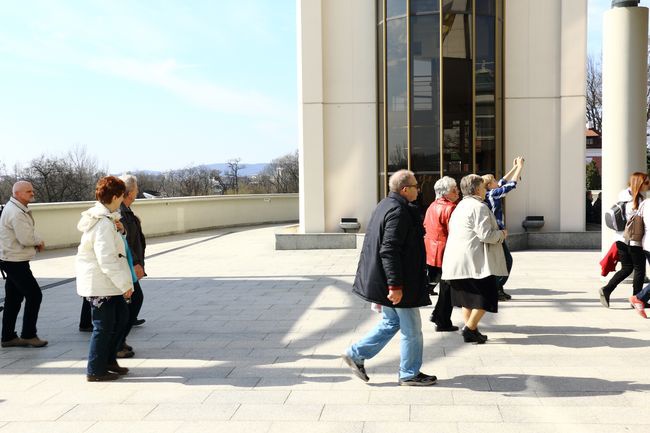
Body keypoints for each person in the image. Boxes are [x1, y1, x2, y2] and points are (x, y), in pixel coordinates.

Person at [342, 169, 436, 386]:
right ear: (405, 189)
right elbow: (389, 250)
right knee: (412, 330)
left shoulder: (386, 204)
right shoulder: (399, 211)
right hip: (399, 282)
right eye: (415, 186)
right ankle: (409, 373)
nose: (418, 189)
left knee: (391, 322)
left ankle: (356, 354)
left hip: (388, 279)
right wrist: (395, 285)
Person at [76, 176, 133, 382]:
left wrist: (122, 231)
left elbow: (115, 247)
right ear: (116, 196)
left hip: (108, 283)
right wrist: (125, 284)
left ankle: (108, 361)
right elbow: (107, 259)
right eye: (122, 195)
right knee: (103, 325)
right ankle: (95, 370)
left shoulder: (109, 220)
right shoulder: (102, 224)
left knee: (121, 318)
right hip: (101, 284)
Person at [442, 174, 507, 344]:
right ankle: (469, 328)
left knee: (467, 298)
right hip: (475, 262)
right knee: (487, 296)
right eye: (484, 187)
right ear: (477, 189)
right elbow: (485, 235)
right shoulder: (479, 207)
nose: (486, 190)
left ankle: (473, 330)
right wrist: (501, 234)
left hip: (457, 261)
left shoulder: (459, 206)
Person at [0, 181, 48, 348]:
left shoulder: (17, 209)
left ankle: (7, 337)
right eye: (28, 191)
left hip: (13, 260)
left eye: (32, 190)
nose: (32, 193)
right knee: (34, 295)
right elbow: (26, 238)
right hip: (14, 262)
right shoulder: (16, 213)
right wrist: (39, 242)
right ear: (17, 194)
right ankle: (28, 334)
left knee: (13, 299)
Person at [599, 172, 649, 308]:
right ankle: (638, 299)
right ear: (640, 183)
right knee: (639, 270)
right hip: (633, 240)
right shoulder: (636, 201)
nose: (648, 185)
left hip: (620, 238)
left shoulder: (622, 196)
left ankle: (607, 289)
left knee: (627, 268)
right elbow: (642, 223)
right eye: (647, 182)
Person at [483, 156, 524, 301]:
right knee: (507, 261)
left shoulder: (491, 192)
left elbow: (503, 181)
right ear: (489, 185)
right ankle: (496, 288)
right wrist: (520, 167)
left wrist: (513, 168)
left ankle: (498, 289)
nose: (497, 182)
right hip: (497, 234)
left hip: (498, 234)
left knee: (502, 261)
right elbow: (510, 185)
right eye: (494, 181)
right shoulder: (492, 194)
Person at [423, 176, 460, 332]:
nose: (457, 191)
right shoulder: (450, 208)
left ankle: (439, 315)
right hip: (446, 250)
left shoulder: (432, 205)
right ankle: (442, 319)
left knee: (446, 286)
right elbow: (456, 232)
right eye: (454, 189)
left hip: (433, 250)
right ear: (445, 193)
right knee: (448, 288)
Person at [116, 174, 146, 358]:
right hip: (126, 264)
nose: (138, 191)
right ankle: (117, 342)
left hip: (129, 263)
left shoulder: (126, 210)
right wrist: (135, 263)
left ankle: (120, 340)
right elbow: (124, 241)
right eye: (136, 188)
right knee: (134, 300)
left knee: (130, 302)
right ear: (130, 192)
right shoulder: (121, 212)